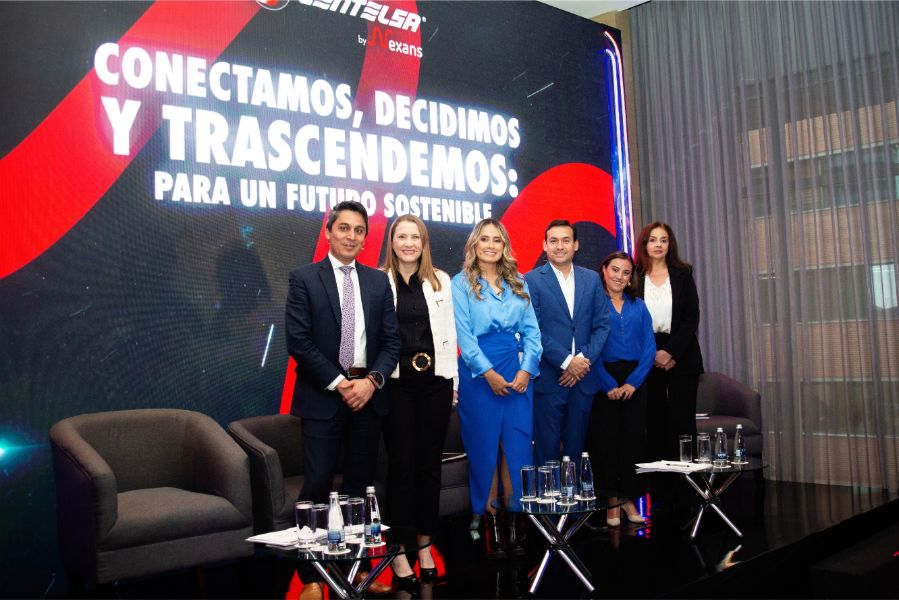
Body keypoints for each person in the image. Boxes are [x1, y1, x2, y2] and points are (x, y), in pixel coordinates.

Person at [284, 200, 400, 599]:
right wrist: (340, 382)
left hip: (368, 396)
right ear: (329, 232)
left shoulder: (377, 281)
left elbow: (391, 342)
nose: (352, 236)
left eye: (359, 230)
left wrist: (371, 381)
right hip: (323, 397)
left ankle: (355, 573)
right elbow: (298, 341)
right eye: (344, 228)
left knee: (359, 487)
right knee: (316, 484)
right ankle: (312, 579)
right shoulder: (303, 278)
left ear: (366, 237)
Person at [452, 218, 541, 556]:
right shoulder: (461, 284)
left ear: (504, 247)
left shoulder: (518, 283)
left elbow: (533, 332)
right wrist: (487, 373)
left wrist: (526, 370)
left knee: (517, 450)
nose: (491, 245)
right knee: (485, 450)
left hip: (518, 373)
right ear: (474, 245)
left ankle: (516, 523)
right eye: (484, 239)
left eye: (497, 240)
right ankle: (491, 526)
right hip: (479, 376)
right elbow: (464, 336)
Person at [380, 215, 457, 589]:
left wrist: (453, 381)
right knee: (402, 466)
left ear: (424, 242)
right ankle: (397, 553)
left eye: (415, 236)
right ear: (391, 240)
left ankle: (425, 546)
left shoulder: (441, 280)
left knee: (430, 466)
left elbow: (451, 332)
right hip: (396, 385)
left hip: (435, 384)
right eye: (402, 236)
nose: (409, 243)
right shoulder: (379, 280)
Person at [525, 220, 610, 467]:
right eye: (553, 241)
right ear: (544, 245)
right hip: (550, 379)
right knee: (546, 453)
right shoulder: (530, 280)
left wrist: (581, 362)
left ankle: (576, 506)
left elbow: (602, 325)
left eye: (565, 240)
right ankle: (549, 505)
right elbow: (533, 329)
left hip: (583, 380)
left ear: (576, 245)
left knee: (578, 452)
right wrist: (566, 362)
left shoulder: (592, 279)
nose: (559, 246)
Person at [587, 251, 655, 527]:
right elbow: (589, 347)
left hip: (634, 382)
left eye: (625, 272)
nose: (619, 276)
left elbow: (649, 348)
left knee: (632, 443)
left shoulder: (639, 306)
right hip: (603, 378)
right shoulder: (593, 305)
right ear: (603, 270)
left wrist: (632, 383)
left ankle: (628, 500)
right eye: (614, 270)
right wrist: (607, 384)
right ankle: (610, 505)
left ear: (631, 278)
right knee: (605, 444)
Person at [634, 222, 704, 462]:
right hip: (647, 354)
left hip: (682, 354)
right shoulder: (634, 276)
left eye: (663, 240)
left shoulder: (683, 274)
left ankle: (688, 491)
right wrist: (654, 353)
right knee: (654, 422)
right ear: (645, 244)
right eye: (653, 240)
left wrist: (670, 352)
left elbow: (691, 318)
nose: (658, 245)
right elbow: (632, 321)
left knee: (683, 422)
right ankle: (660, 491)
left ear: (670, 244)